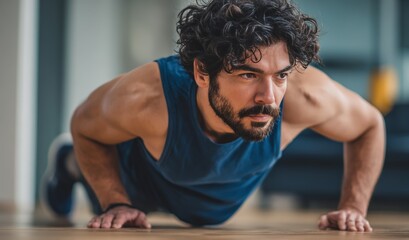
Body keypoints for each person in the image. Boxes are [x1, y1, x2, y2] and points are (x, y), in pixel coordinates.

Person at [42, 0, 385, 232]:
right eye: (248, 75)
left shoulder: (304, 94)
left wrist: (353, 207)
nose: (269, 96)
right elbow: (85, 125)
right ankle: (66, 162)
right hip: (140, 183)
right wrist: (114, 200)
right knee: (85, 159)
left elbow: (369, 125)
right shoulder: (147, 98)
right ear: (203, 73)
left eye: (280, 75)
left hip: (212, 208)